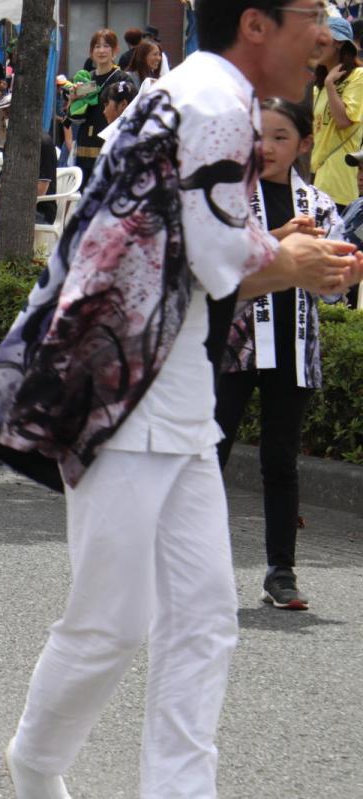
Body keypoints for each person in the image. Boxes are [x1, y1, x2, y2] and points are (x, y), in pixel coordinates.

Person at [0, 3, 362, 797]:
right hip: (120, 395)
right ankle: (35, 764)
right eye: (313, 15)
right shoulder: (212, 103)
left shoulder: (211, 95)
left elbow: (190, 252)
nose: (328, 36)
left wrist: (290, 256)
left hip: (170, 394)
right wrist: (297, 259)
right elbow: (221, 260)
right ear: (256, 23)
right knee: (113, 621)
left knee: (205, 619)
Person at [218, 98, 345, 612]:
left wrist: (342, 265)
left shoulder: (318, 205)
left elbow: (334, 287)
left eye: (279, 137)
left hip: (293, 349)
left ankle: (281, 572)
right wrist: (278, 240)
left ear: (304, 144)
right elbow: (215, 267)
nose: (265, 147)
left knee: (280, 462)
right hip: (230, 348)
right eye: (256, 135)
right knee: (209, 455)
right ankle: (182, 568)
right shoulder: (225, 201)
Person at [312, 16, 363, 210]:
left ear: (339, 44)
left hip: (339, 180)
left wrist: (330, 86)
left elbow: (343, 121)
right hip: (316, 178)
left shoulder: (359, 77)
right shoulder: (318, 86)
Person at [69, 29, 130, 186]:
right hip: (85, 147)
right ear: (91, 51)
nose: (101, 50)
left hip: (111, 148)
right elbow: (75, 117)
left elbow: (129, 114)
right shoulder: (86, 79)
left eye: (106, 46)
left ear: (115, 50)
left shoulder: (122, 79)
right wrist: (73, 100)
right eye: (97, 46)